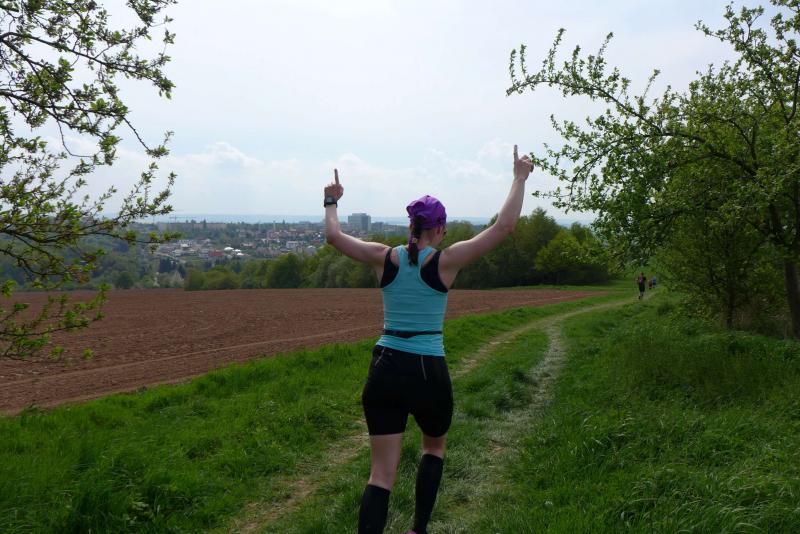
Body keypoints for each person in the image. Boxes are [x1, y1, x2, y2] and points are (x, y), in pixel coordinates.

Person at [323, 145, 534, 534]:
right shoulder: (445, 262)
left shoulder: (383, 257)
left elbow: (334, 236)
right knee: (433, 447)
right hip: (425, 368)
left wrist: (331, 201)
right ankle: (417, 529)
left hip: (384, 365)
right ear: (438, 229)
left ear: (411, 227)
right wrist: (519, 178)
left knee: (380, 475)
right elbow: (504, 227)